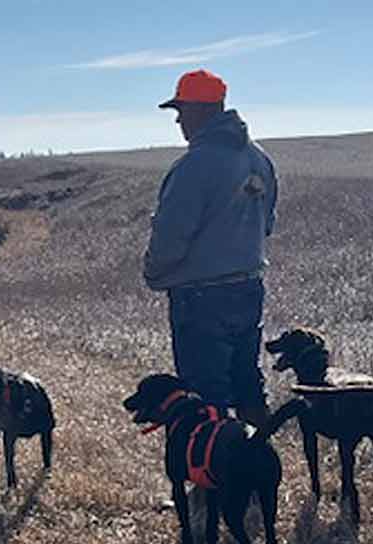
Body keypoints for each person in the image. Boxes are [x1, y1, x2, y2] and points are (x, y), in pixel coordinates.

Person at [144, 69, 279, 429]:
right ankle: (258, 468)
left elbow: (171, 238)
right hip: (249, 289)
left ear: (201, 111)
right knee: (248, 384)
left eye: (181, 111)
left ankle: (213, 482)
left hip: (200, 298)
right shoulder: (259, 160)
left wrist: (154, 273)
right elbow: (267, 224)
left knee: (205, 397)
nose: (178, 121)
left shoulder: (193, 166)